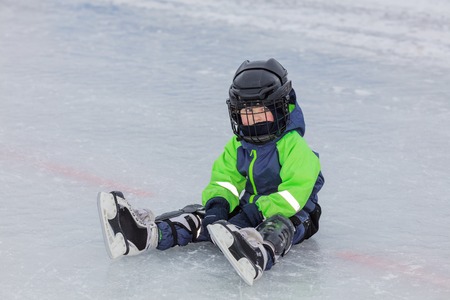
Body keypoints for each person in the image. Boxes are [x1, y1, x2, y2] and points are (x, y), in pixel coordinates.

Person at [97, 58, 324, 285]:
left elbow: (293, 196)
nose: (252, 120)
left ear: (281, 107)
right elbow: (225, 180)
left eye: (260, 111)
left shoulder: (296, 148)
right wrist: (219, 206)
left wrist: (255, 213)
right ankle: (144, 234)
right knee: (201, 214)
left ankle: (258, 255)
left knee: (278, 225)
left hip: (298, 214)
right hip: (251, 207)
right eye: (246, 112)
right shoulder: (239, 145)